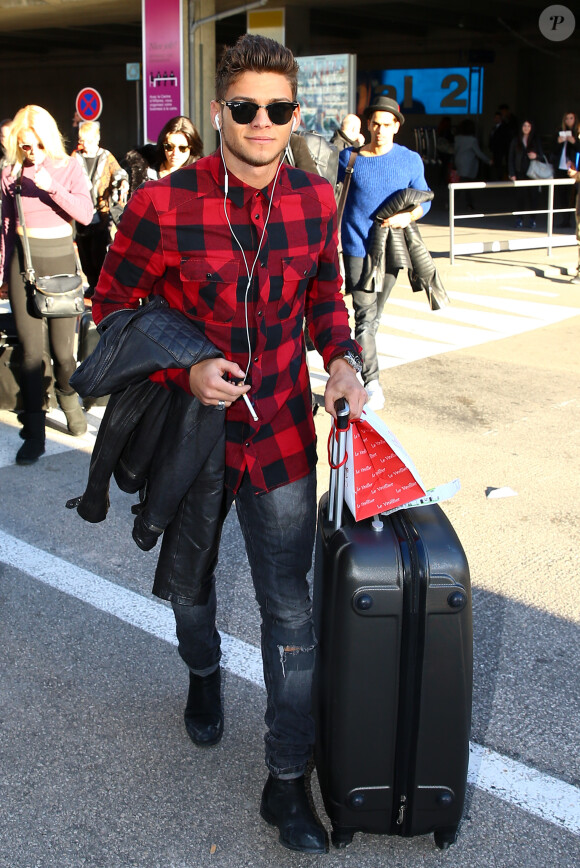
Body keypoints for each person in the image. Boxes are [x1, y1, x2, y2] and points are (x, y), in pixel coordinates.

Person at [91, 34, 366, 854]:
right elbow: (113, 312)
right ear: (219, 112)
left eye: (277, 109)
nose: (261, 123)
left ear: (294, 116)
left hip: (281, 435)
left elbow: (326, 297)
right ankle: (204, 675)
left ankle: (286, 784)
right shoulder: (160, 205)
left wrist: (344, 359)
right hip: (192, 440)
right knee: (191, 590)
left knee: (291, 614)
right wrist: (187, 370)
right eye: (244, 107)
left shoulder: (318, 199)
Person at [0, 105, 93, 464]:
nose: (32, 152)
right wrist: (3, 274)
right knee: (30, 355)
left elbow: (85, 215)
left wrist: (50, 186)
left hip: (60, 265)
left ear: (48, 138)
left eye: (37, 145)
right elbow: (6, 226)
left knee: (64, 355)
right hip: (24, 264)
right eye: (25, 146)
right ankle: (34, 431)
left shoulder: (68, 166)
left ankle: (69, 398)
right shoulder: (10, 173)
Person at [336, 94, 431, 411]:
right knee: (364, 317)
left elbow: (425, 200)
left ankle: (356, 366)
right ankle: (372, 382)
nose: (379, 129)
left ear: (396, 127)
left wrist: (409, 216)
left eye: (386, 124)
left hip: (392, 248)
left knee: (374, 318)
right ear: (368, 124)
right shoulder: (349, 158)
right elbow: (327, 186)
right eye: (375, 123)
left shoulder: (409, 160)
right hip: (356, 246)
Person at [72, 121, 128, 297]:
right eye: (82, 141)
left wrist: (123, 183)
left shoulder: (106, 156)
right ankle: (91, 282)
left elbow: (118, 173)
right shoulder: (75, 156)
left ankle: (100, 285)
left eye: (88, 141)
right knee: (84, 251)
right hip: (81, 211)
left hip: (101, 211)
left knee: (99, 250)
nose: (84, 145)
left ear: (97, 139)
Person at [508, 118, 545, 228]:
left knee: (534, 197)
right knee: (520, 197)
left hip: (533, 173)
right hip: (520, 172)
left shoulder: (535, 140)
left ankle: (532, 219)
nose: (526, 128)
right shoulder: (516, 140)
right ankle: (519, 218)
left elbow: (542, 156)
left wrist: (536, 156)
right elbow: (511, 157)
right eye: (524, 125)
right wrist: (512, 172)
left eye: (528, 126)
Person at [453, 118, 492, 210]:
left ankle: (455, 202)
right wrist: (488, 160)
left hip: (459, 162)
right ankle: (467, 204)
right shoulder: (472, 140)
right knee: (465, 185)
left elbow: (455, 150)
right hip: (468, 165)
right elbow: (478, 153)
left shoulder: (457, 138)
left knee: (461, 183)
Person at [553, 111, 579, 227]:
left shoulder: (577, 133)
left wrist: (574, 142)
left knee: (572, 194)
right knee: (561, 194)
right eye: (567, 118)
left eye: (571, 118)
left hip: (573, 168)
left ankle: (573, 219)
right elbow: (553, 150)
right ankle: (565, 219)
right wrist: (558, 142)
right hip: (561, 166)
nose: (569, 121)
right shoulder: (559, 131)